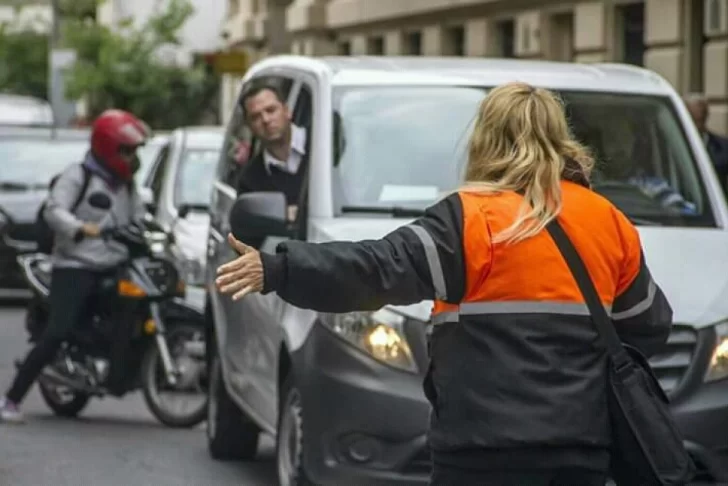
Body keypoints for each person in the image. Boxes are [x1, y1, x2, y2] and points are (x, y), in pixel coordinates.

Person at [215, 82, 674, 485]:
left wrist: (279, 270)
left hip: (481, 449)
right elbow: (648, 326)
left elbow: (374, 268)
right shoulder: (607, 221)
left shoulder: (469, 218)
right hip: (581, 448)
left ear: (486, 139)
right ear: (559, 136)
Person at [0, 109, 150, 424]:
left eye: (135, 151)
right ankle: (11, 398)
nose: (132, 157)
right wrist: (80, 227)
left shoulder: (126, 183)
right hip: (75, 265)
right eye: (126, 150)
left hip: (114, 263)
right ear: (108, 147)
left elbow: (138, 217)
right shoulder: (78, 176)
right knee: (58, 330)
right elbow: (55, 210)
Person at [235, 79, 308, 223]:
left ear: (287, 111)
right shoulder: (250, 179)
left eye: (271, 110)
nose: (266, 120)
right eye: (256, 117)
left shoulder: (324, 145)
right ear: (249, 126)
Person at [683, 93, 728, 197]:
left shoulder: (723, 147)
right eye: (692, 120)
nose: (696, 126)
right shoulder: (672, 146)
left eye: (700, 120)